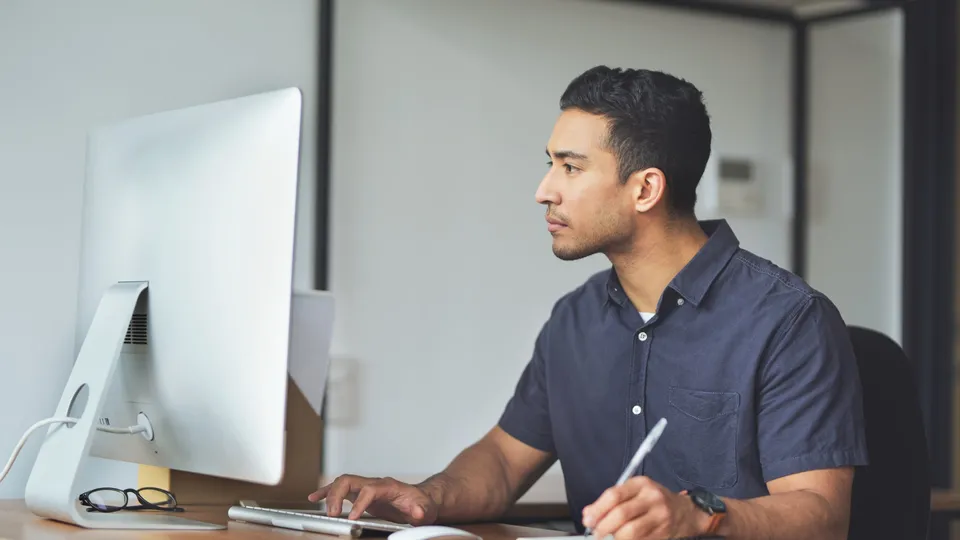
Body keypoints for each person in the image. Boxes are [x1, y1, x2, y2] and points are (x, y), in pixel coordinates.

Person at [309, 66, 868, 540]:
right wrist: (424, 498)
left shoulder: (788, 318)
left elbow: (821, 515)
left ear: (645, 189)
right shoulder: (572, 319)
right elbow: (503, 463)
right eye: (550, 163)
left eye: (570, 167)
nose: (544, 189)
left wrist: (698, 515)